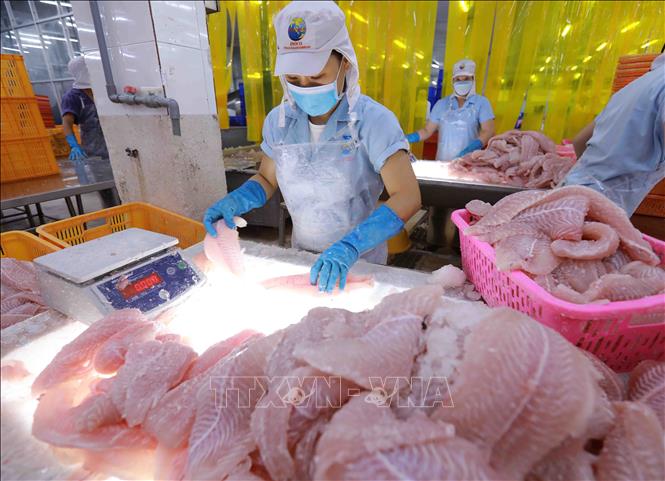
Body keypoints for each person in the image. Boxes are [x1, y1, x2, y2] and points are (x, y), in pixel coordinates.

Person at [204, 1, 421, 293]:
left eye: (317, 77)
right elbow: (268, 178)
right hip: (300, 258)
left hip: (359, 260)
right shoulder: (279, 121)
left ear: (345, 62)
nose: (305, 86)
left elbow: (407, 196)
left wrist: (350, 246)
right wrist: (235, 201)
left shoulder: (372, 121)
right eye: (294, 78)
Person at [563, 51, 665, 216]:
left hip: (570, 190)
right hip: (600, 209)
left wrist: (591, 179)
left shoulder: (634, 86)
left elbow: (580, 140)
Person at [406, 59, 496, 161]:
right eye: (458, 79)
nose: (462, 82)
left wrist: (473, 147)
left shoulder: (481, 103)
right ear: (453, 81)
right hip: (442, 162)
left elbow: (488, 130)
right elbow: (427, 131)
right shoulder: (441, 104)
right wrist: (409, 138)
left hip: (468, 163)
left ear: (473, 79)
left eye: (466, 79)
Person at [61, 56, 109, 161]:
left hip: (114, 145)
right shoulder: (72, 97)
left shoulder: (102, 90)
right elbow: (67, 124)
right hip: (94, 150)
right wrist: (74, 145)